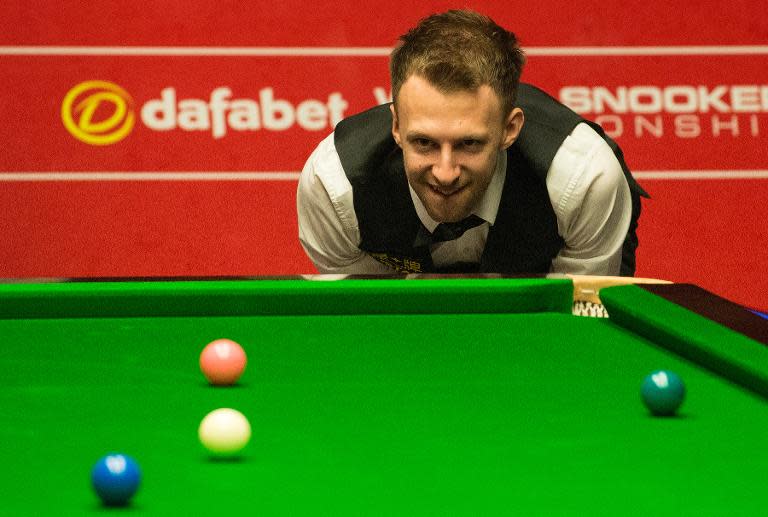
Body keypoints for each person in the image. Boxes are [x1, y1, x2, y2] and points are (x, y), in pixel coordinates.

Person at [297, 9, 646, 276]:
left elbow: (575, 324)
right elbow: (371, 317)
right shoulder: (335, 187)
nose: (445, 173)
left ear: (510, 129)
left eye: (469, 144)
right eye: (424, 143)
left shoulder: (583, 179)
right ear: (397, 127)